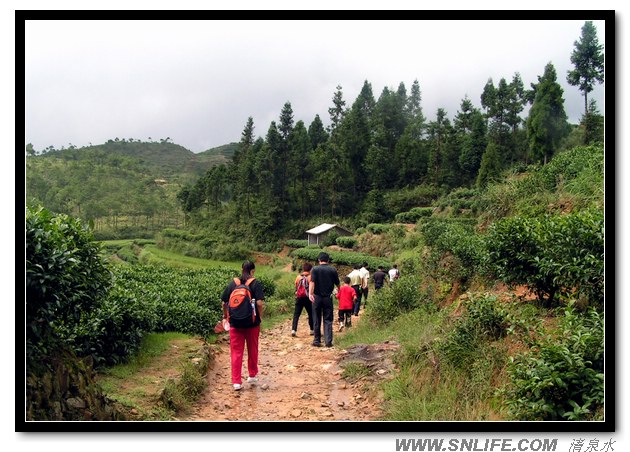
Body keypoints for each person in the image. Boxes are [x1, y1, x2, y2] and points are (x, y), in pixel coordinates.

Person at [221, 261, 265, 391]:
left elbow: (224, 302)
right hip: (252, 323)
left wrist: (225, 317)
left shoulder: (233, 283)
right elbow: (259, 303)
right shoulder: (256, 283)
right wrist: (260, 317)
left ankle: (236, 382)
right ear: (253, 271)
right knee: (253, 349)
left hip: (235, 323)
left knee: (236, 352)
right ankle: (252, 375)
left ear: (241, 269)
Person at [309, 252, 340, 348]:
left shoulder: (315, 269)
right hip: (328, 297)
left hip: (317, 297)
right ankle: (328, 341)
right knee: (328, 319)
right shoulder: (332, 270)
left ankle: (317, 340)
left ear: (319, 260)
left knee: (316, 318)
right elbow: (338, 284)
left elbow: (312, 282)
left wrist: (310, 294)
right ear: (328, 260)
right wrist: (337, 292)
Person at [292, 262, 314, 337]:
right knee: (310, 314)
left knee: (296, 314)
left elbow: (296, 286)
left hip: (299, 297)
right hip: (308, 298)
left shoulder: (298, 277)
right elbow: (312, 287)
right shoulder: (310, 277)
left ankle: (294, 330)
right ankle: (312, 329)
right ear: (310, 269)